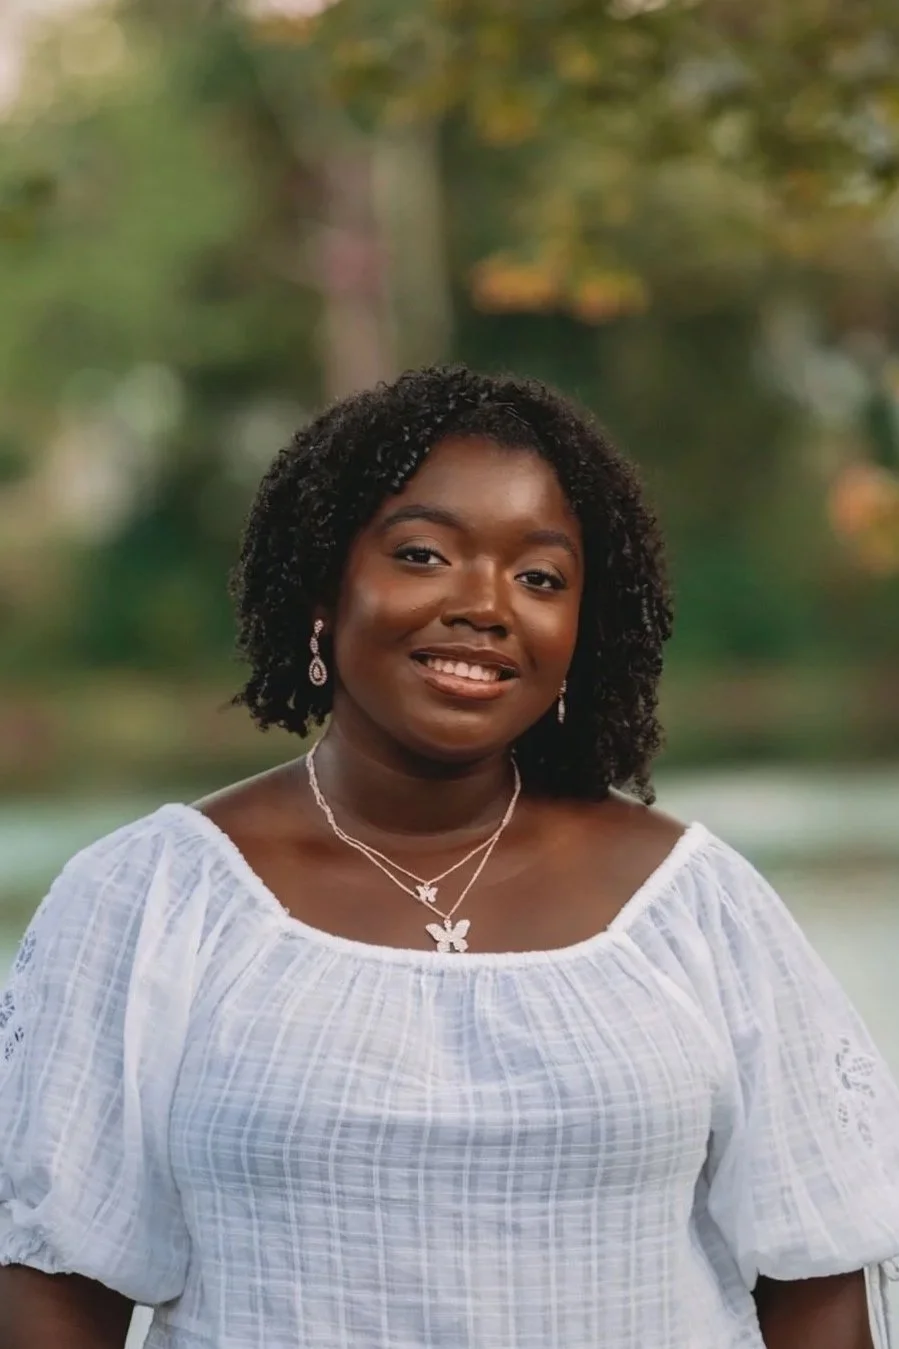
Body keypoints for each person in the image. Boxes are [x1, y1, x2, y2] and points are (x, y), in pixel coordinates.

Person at [1, 364, 898, 1349]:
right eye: (424, 554)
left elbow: (813, 1281)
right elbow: (50, 1288)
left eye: (540, 576)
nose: (486, 603)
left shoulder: (691, 900)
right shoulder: (151, 897)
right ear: (319, 586)